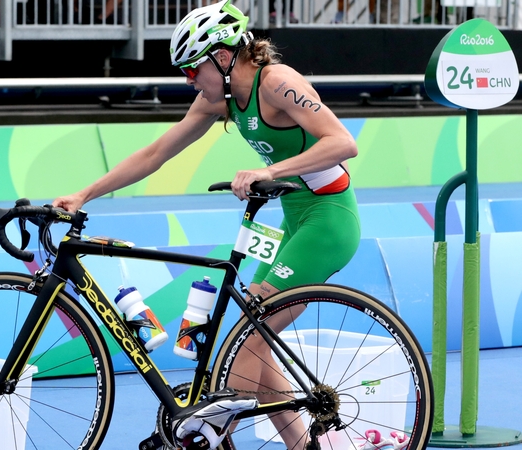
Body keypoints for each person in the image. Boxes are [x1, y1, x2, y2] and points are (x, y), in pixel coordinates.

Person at [52, 0, 361, 448]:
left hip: (329, 220)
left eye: (193, 69)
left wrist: (269, 171)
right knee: (254, 337)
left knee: (248, 341)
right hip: (297, 220)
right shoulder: (221, 100)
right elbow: (155, 154)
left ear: (223, 55)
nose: (189, 80)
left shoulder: (277, 82)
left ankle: (207, 435)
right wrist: (84, 194)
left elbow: (343, 142)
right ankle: (301, 445)